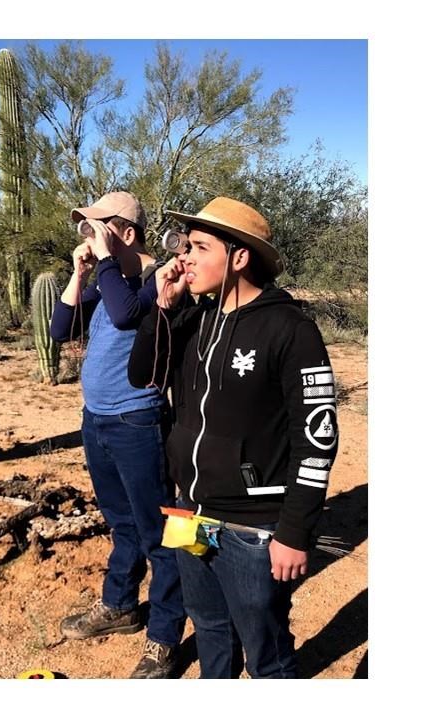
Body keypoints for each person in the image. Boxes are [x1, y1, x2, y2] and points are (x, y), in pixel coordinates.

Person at [128, 196, 338, 679]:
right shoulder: (194, 318)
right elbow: (143, 373)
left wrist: (294, 532)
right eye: (185, 246)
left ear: (239, 257)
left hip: (255, 529)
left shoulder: (290, 329)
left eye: (200, 247)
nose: (184, 258)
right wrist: (162, 307)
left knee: (267, 653)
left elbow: (318, 438)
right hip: (190, 513)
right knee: (211, 632)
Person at [49, 191, 185, 679]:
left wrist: (105, 261)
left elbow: (129, 313)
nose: (89, 237)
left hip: (138, 420)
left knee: (157, 534)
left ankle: (165, 639)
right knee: (120, 522)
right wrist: (80, 272)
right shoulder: (110, 278)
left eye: (98, 228)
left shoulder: (161, 277)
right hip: (97, 419)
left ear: (127, 234)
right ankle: (121, 606)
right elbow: (60, 328)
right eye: (87, 229)